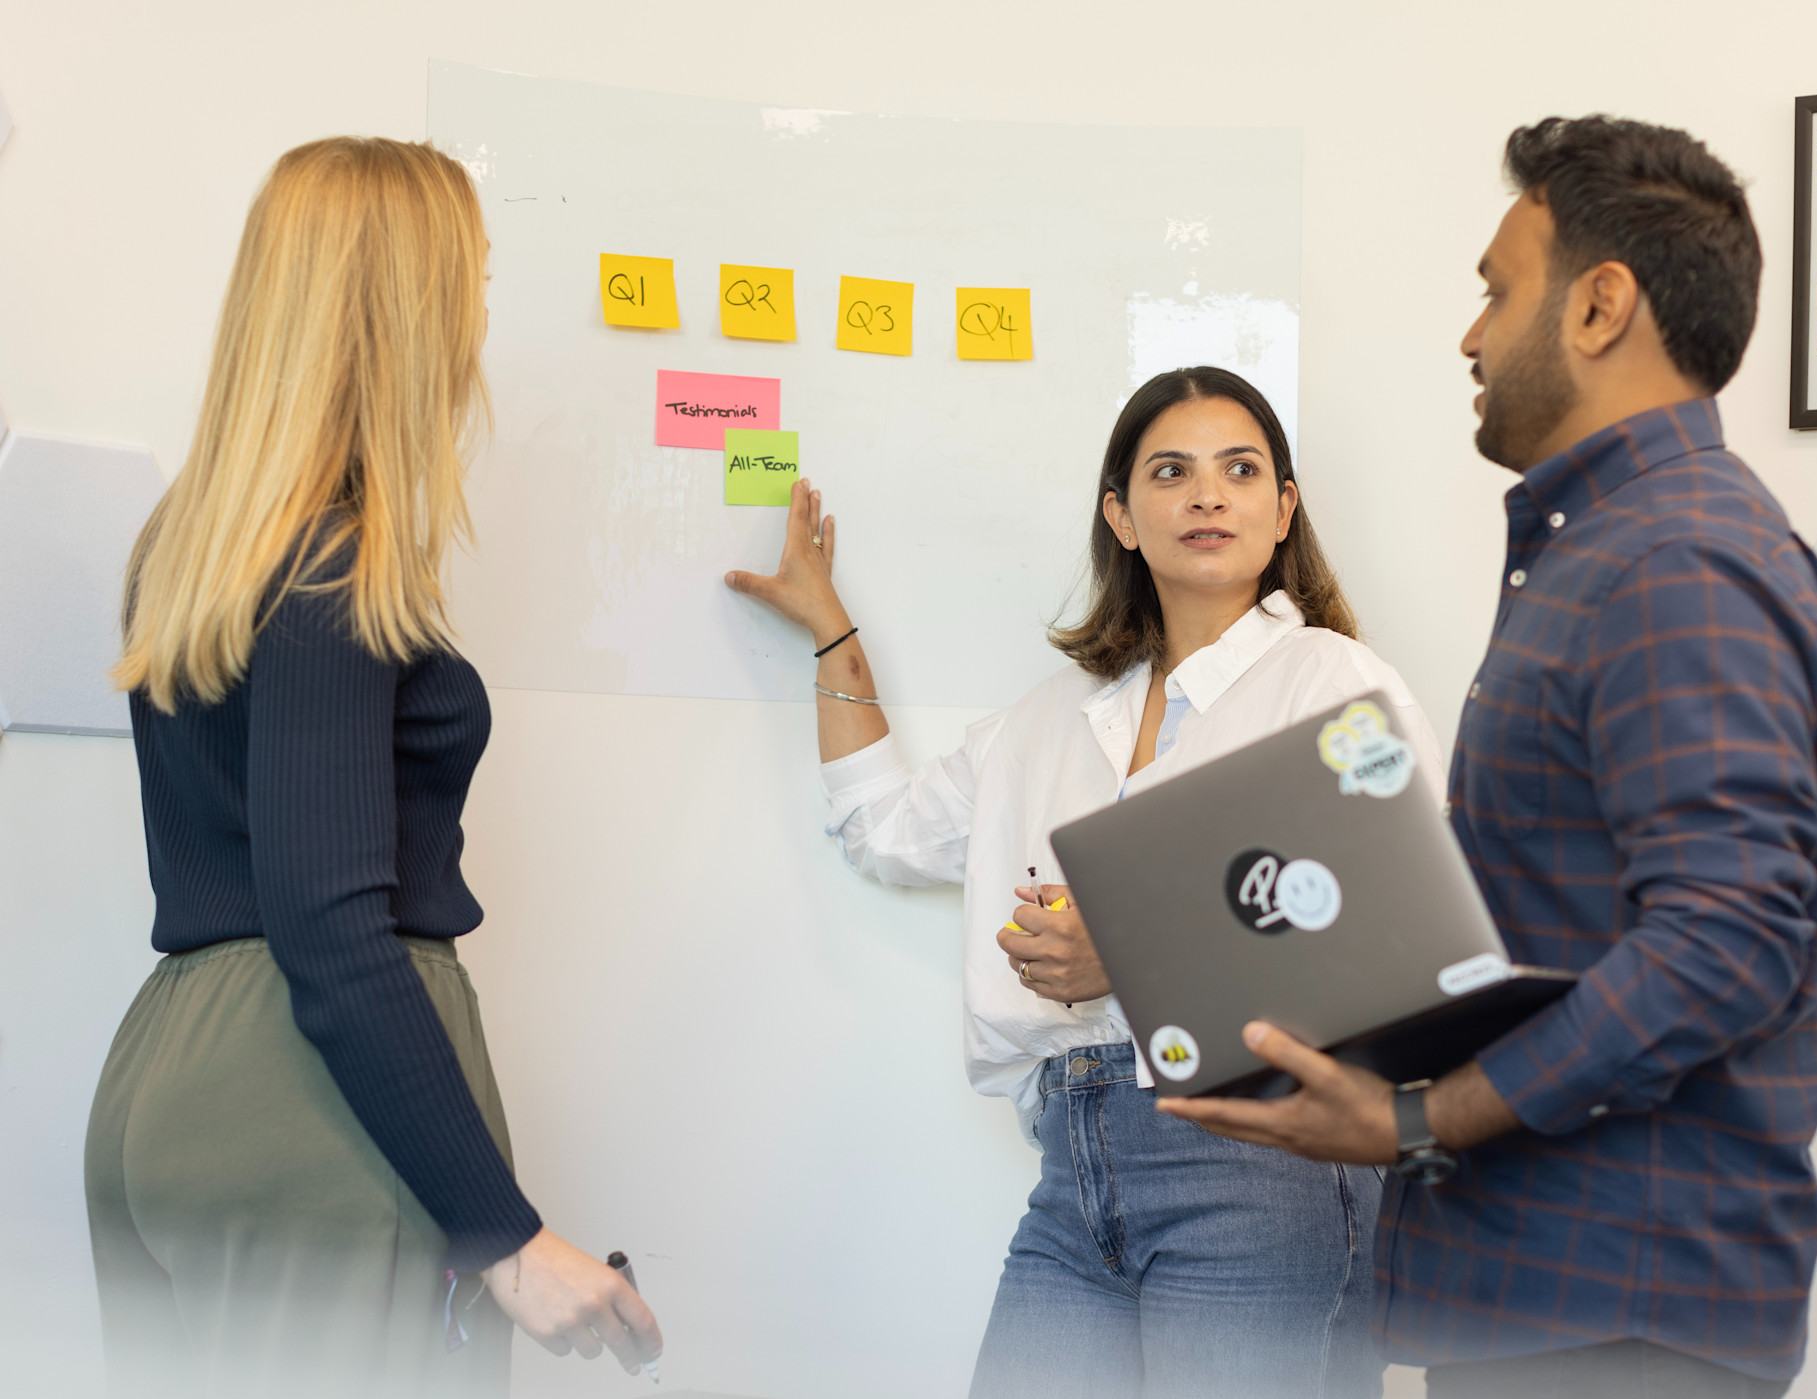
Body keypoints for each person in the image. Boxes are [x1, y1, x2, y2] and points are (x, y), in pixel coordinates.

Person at [1160, 117, 1817, 1399]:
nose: (1470, 334)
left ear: (1598, 306)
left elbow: (1723, 942)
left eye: (1495, 289)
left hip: (1612, 1316)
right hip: (1551, 1305)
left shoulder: (1673, 561)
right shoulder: (1611, 551)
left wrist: (1416, 1120)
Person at [724, 366, 1445, 1399]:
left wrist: (1131, 956)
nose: (1207, 495)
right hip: (1074, 1171)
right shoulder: (1050, 718)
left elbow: (1405, 930)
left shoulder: (1329, 681)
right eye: (1171, 471)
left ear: (1281, 509)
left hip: (1261, 1161)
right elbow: (882, 830)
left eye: (1240, 470)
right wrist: (829, 626)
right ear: (1120, 513)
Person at [86, 138, 662, 1399]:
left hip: (168, 1076)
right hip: (304, 1093)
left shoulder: (190, 544)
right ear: (404, 307)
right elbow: (329, 918)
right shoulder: (333, 564)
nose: (476, 326)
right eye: (471, 285)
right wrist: (505, 1237)